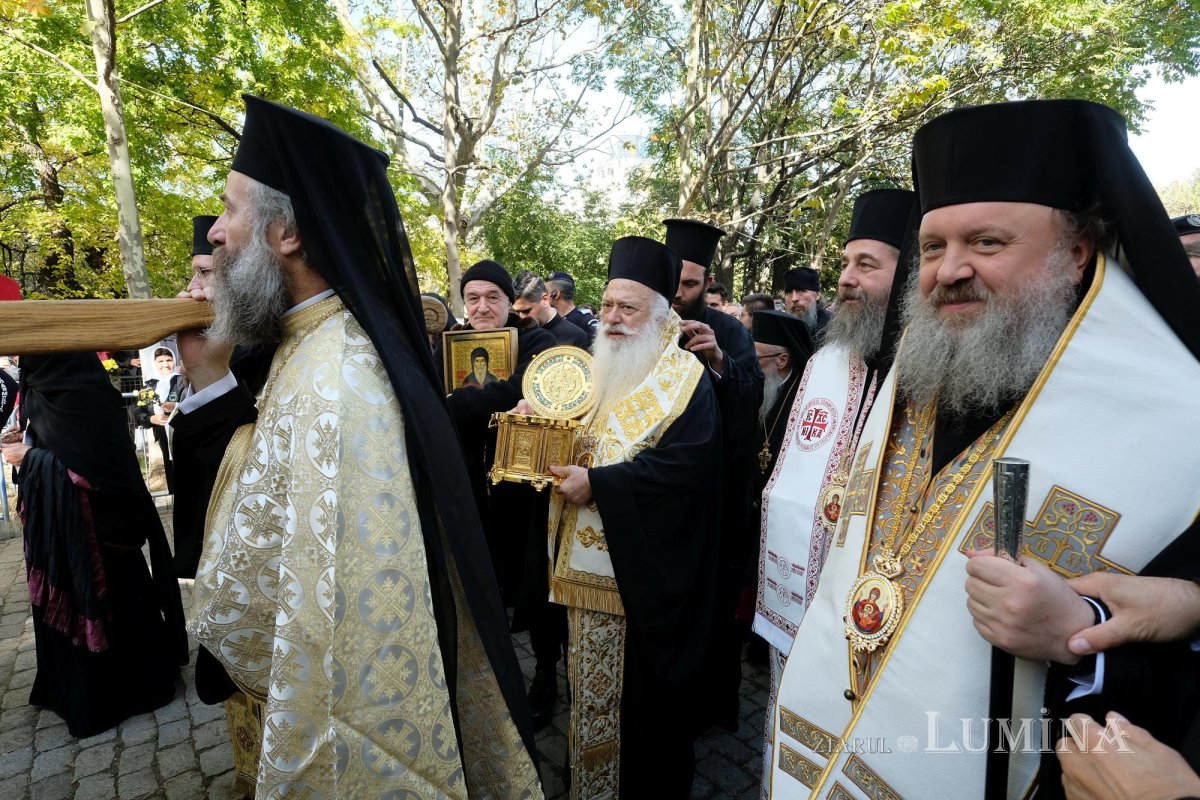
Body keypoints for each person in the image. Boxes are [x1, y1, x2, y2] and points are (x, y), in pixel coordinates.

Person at [766, 99, 1200, 798]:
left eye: (987, 243)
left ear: (1077, 250)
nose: (948, 270)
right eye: (934, 247)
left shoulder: (1183, 416)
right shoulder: (928, 358)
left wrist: (1081, 634)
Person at [173, 95, 540, 798]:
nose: (215, 234)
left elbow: (347, 622)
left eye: (229, 209)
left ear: (288, 234)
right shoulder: (310, 340)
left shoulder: (335, 376)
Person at [544, 235, 721, 798]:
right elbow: (581, 431)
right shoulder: (602, 365)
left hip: (646, 581)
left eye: (629, 308)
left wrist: (601, 485)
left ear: (660, 314)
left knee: (640, 710)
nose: (614, 318)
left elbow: (686, 471)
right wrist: (539, 419)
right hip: (583, 570)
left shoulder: (684, 379)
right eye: (610, 303)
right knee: (588, 693)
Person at [2, 352, 186, 738]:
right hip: (61, 530)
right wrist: (28, 441)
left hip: (102, 533)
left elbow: (96, 467)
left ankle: (122, 690)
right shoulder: (41, 389)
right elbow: (60, 444)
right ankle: (73, 685)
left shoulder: (84, 392)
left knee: (118, 605)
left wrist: (31, 458)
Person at [133, 346, 185, 494]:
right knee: (171, 471)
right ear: (154, 363)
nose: (165, 364)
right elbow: (138, 413)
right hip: (162, 434)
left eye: (168, 360)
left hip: (181, 432)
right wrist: (151, 418)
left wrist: (176, 406)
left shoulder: (182, 380)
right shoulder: (149, 385)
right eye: (160, 361)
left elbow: (194, 402)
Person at [513, 270, 589, 348]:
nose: (521, 317)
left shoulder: (576, 336)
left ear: (545, 299)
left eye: (526, 311)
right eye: (517, 312)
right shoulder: (514, 334)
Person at [546, 269, 599, 345]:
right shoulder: (550, 322)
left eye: (546, 293)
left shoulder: (586, 321)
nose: (543, 296)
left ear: (556, 294)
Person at [782, 265, 830, 335]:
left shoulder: (831, 326)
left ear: (817, 295)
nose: (794, 298)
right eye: (789, 292)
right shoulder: (784, 326)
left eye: (801, 291)